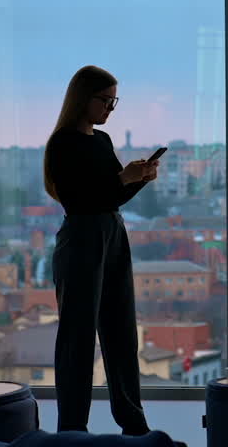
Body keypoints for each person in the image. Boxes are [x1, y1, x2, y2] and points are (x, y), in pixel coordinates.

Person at [43, 65, 158, 434]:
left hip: (112, 233)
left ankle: (133, 424)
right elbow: (79, 200)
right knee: (78, 338)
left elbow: (112, 197)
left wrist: (137, 180)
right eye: (105, 100)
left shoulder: (103, 140)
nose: (111, 109)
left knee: (122, 331)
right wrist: (122, 177)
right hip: (82, 238)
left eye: (114, 101)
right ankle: (72, 430)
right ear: (83, 98)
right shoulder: (63, 143)